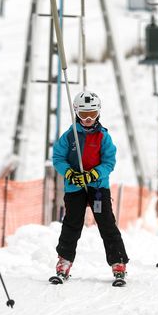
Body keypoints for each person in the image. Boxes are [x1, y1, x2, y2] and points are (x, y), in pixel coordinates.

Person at [52, 91, 129, 283]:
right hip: (75, 187)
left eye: (92, 114)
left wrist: (94, 174)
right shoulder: (70, 136)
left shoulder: (103, 137)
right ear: (76, 112)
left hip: (97, 188)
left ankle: (118, 262)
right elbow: (58, 158)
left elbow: (109, 162)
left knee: (106, 223)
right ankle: (64, 261)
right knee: (72, 223)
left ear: (98, 113)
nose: (88, 119)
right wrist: (70, 173)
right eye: (84, 114)